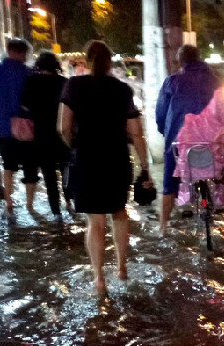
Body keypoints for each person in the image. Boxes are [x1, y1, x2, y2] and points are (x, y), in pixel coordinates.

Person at [59, 40, 151, 294]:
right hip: (117, 159)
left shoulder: (74, 85)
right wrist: (145, 168)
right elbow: (137, 134)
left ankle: (99, 280)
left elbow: (63, 128)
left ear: (86, 61)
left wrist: (74, 145)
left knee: (95, 221)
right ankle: (122, 270)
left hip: (87, 159)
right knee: (119, 213)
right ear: (110, 62)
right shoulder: (122, 89)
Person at [155, 44, 224, 241]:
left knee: (170, 183)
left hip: (180, 146)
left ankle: (163, 227)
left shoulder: (172, 82)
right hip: (213, 147)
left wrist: (165, 131)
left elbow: (161, 114)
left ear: (181, 62)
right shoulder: (216, 81)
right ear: (199, 59)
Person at [0, 38, 38, 214]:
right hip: (28, 128)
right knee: (30, 167)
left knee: (8, 166)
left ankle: (9, 203)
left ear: (7, 49)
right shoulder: (30, 73)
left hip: (4, 127)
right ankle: (30, 205)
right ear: (24, 53)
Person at [21, 51, 71, 217]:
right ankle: (70, 202)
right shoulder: (64, 82)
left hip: (41, 134)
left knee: (49, 174)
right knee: (66, 169)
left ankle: (56, 212)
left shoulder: (31, 81)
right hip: (61, 133)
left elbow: (25, 106)